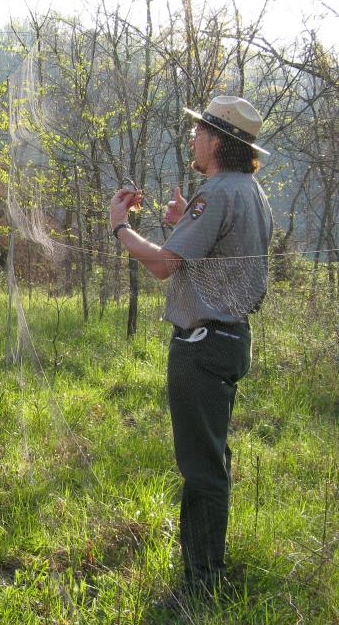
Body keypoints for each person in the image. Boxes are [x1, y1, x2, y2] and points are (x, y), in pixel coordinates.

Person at [108, 95, 273, 596]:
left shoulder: (218, 191)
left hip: (202, 345)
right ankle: (207, 569)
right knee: (212, 457)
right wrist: (183, 221)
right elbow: (211, 253)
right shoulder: (250, 190)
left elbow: (163, 266)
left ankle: (202, 582)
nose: (193, 139)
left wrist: (120, 226)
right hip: (229, 340)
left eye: (200, 131)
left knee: (201, 467)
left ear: (219, 140)